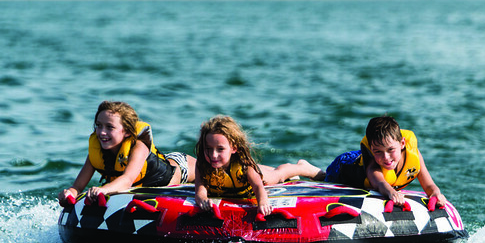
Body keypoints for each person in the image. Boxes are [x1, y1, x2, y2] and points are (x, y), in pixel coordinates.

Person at [58, 101, 196, 206]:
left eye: (109, 127)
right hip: (148, 178)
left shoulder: (139, 146)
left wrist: (103, 190)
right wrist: (70, 193)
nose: (101, 132)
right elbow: (77, 186)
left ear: (127, 132)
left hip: (181, 168)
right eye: (98, 125)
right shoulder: (96, 151)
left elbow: (127, 180)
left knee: (213, 177)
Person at [194, 115, 324, 216]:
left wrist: (262, 202)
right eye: (208, 149)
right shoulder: (202, 166)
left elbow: (258, 187)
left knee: (278, 175)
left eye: (220, 149)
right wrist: (204, 201)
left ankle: (303, 167)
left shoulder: (244, 166)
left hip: (260, 179)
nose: (213, 155)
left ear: (234, 148)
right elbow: (200, 190)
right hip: (237, 181)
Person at [325, 115, 447, 207]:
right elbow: (380, 183)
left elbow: (429, 184)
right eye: (378, 151)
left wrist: (436, 193)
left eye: (391, 149)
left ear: (402, 143)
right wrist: (391, 192)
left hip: (361, 157)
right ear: (372, 150)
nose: (386, 157)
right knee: (325, 178)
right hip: (345, 164)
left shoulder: (413, 154)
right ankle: (313, 171)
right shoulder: (373, 167)